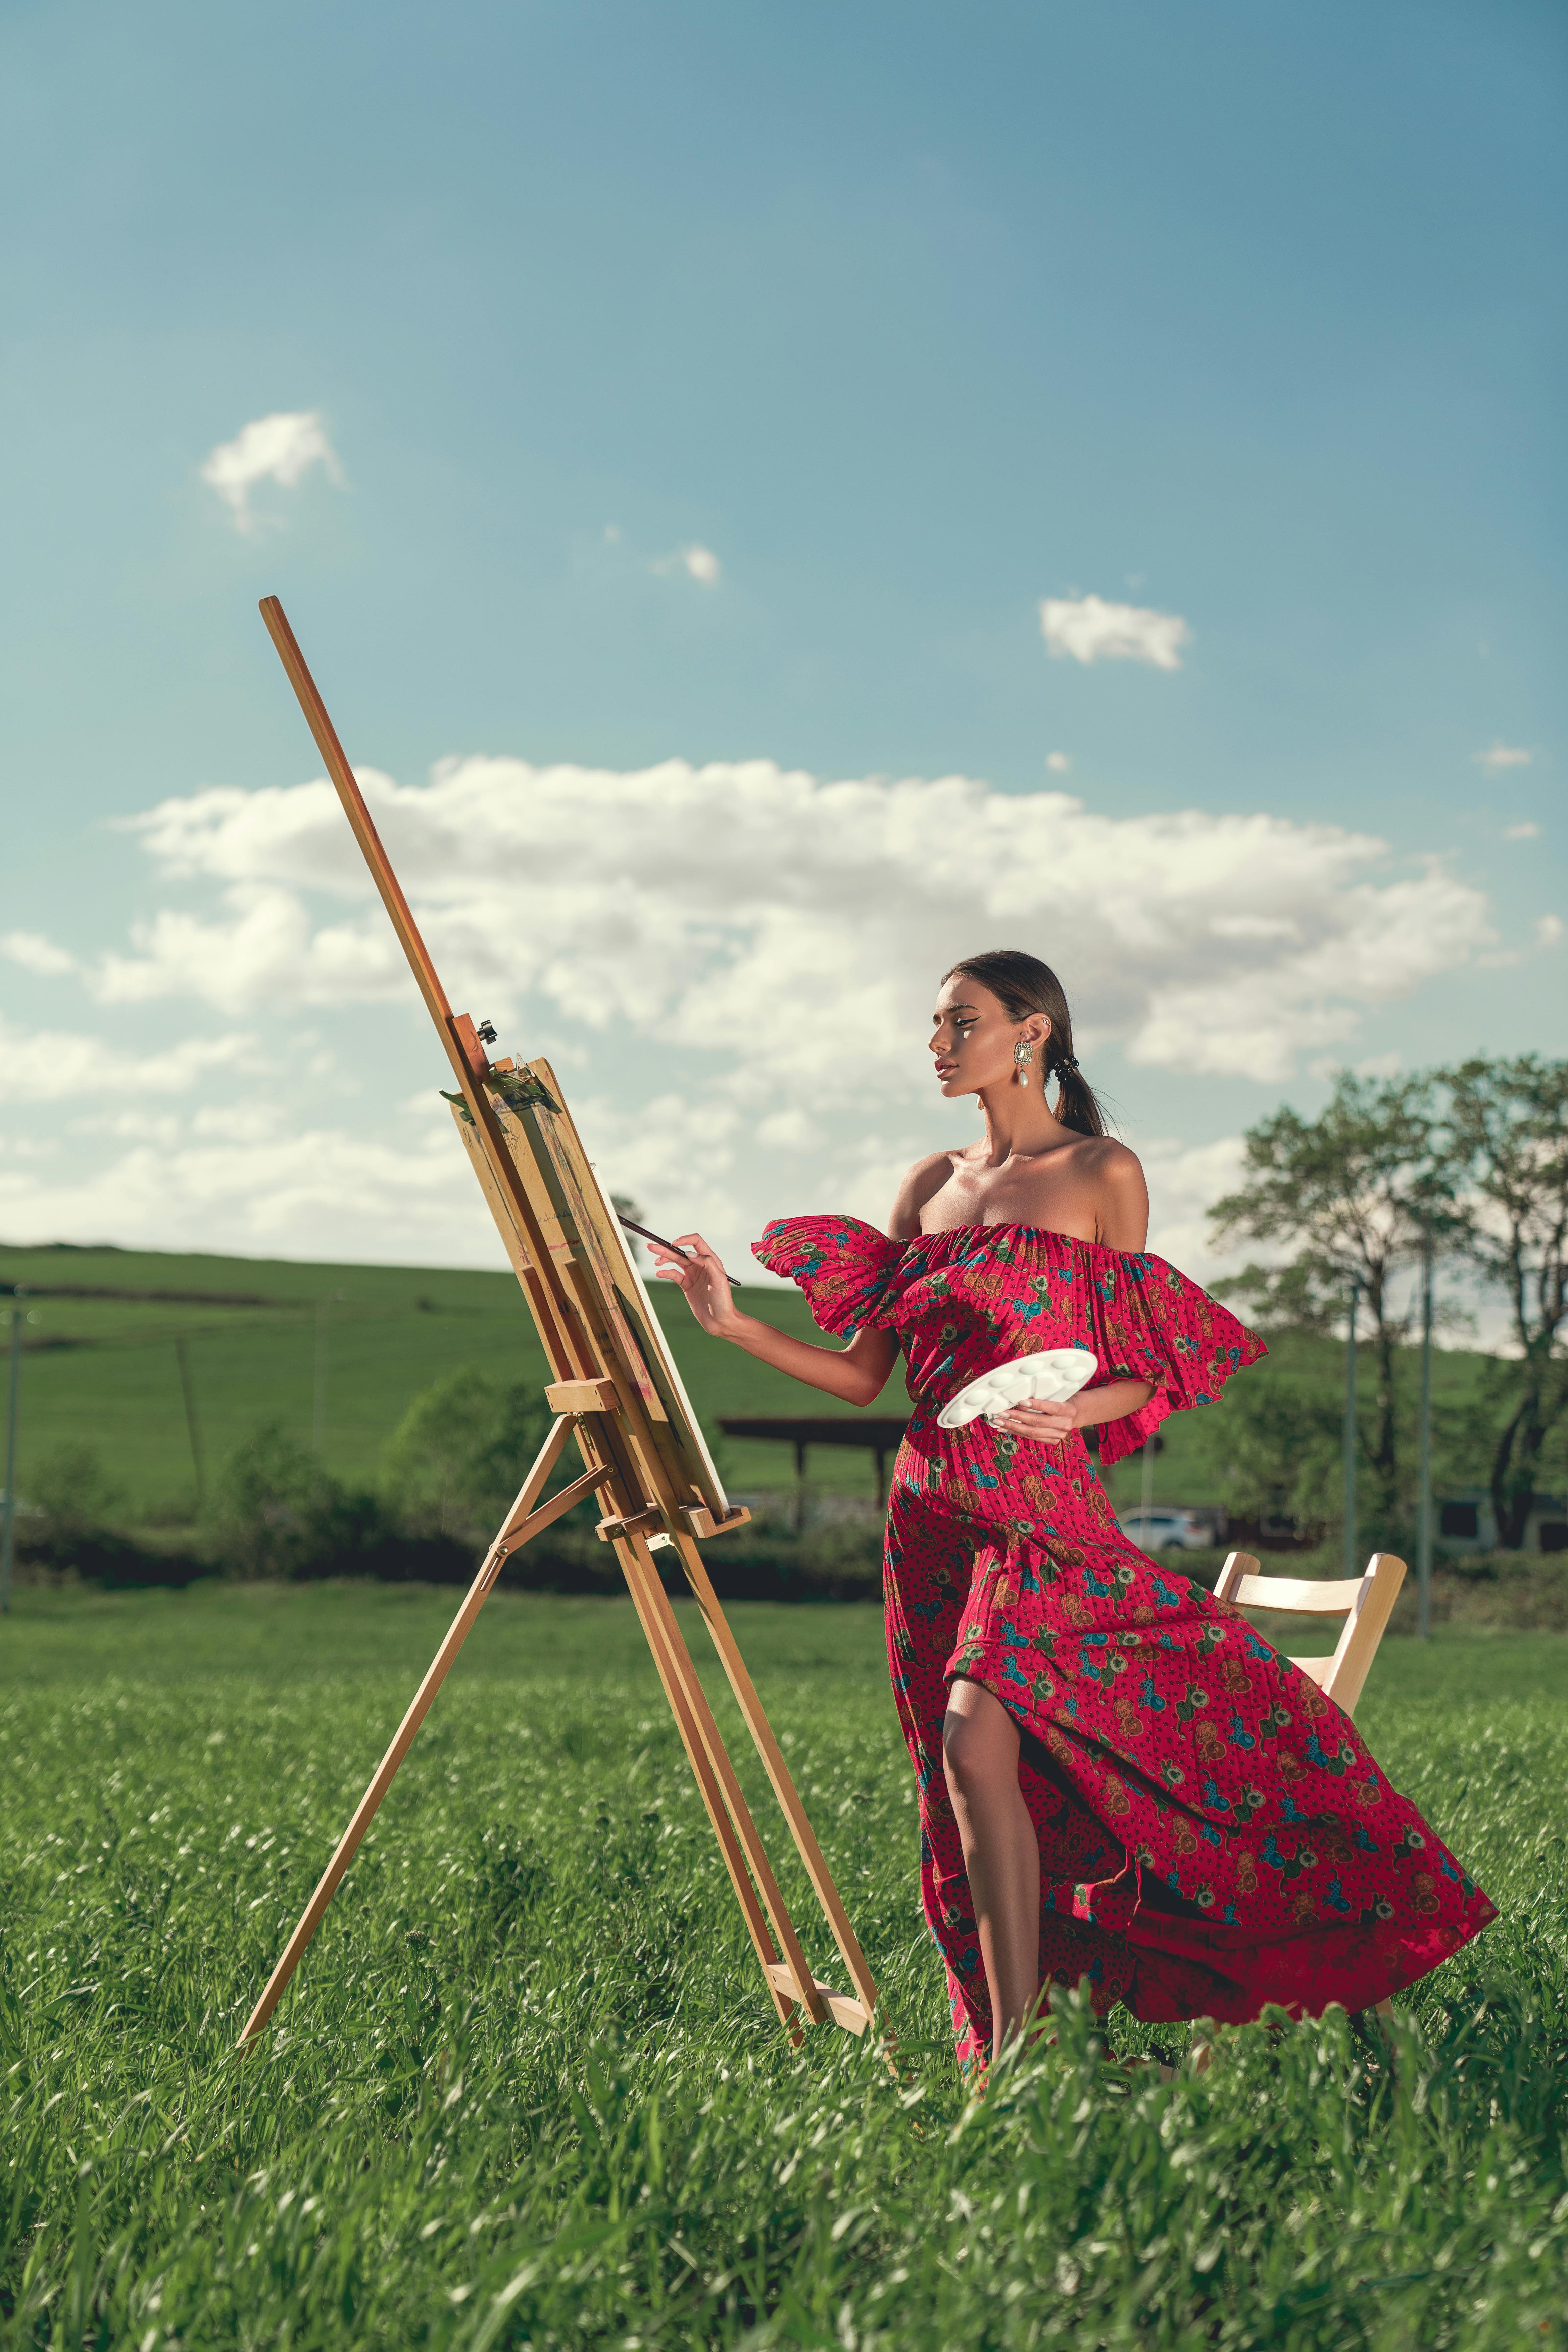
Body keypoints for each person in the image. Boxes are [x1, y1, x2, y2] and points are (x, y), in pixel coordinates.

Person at [651, 949, 1494, 2071]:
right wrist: (730, 1323)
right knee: (964, 1770)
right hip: (930, 1518)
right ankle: (1026, 2037)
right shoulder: (926, 1187)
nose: (939, 1043)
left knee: (972, 1740)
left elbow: (1146, 1364)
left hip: (1045, 1516)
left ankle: (1008, 2058)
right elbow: (866, 1379)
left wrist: (1081, 1407)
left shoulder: (1104, 1173)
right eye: (935, 1025)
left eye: (962, 1022)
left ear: (1032, 1031)